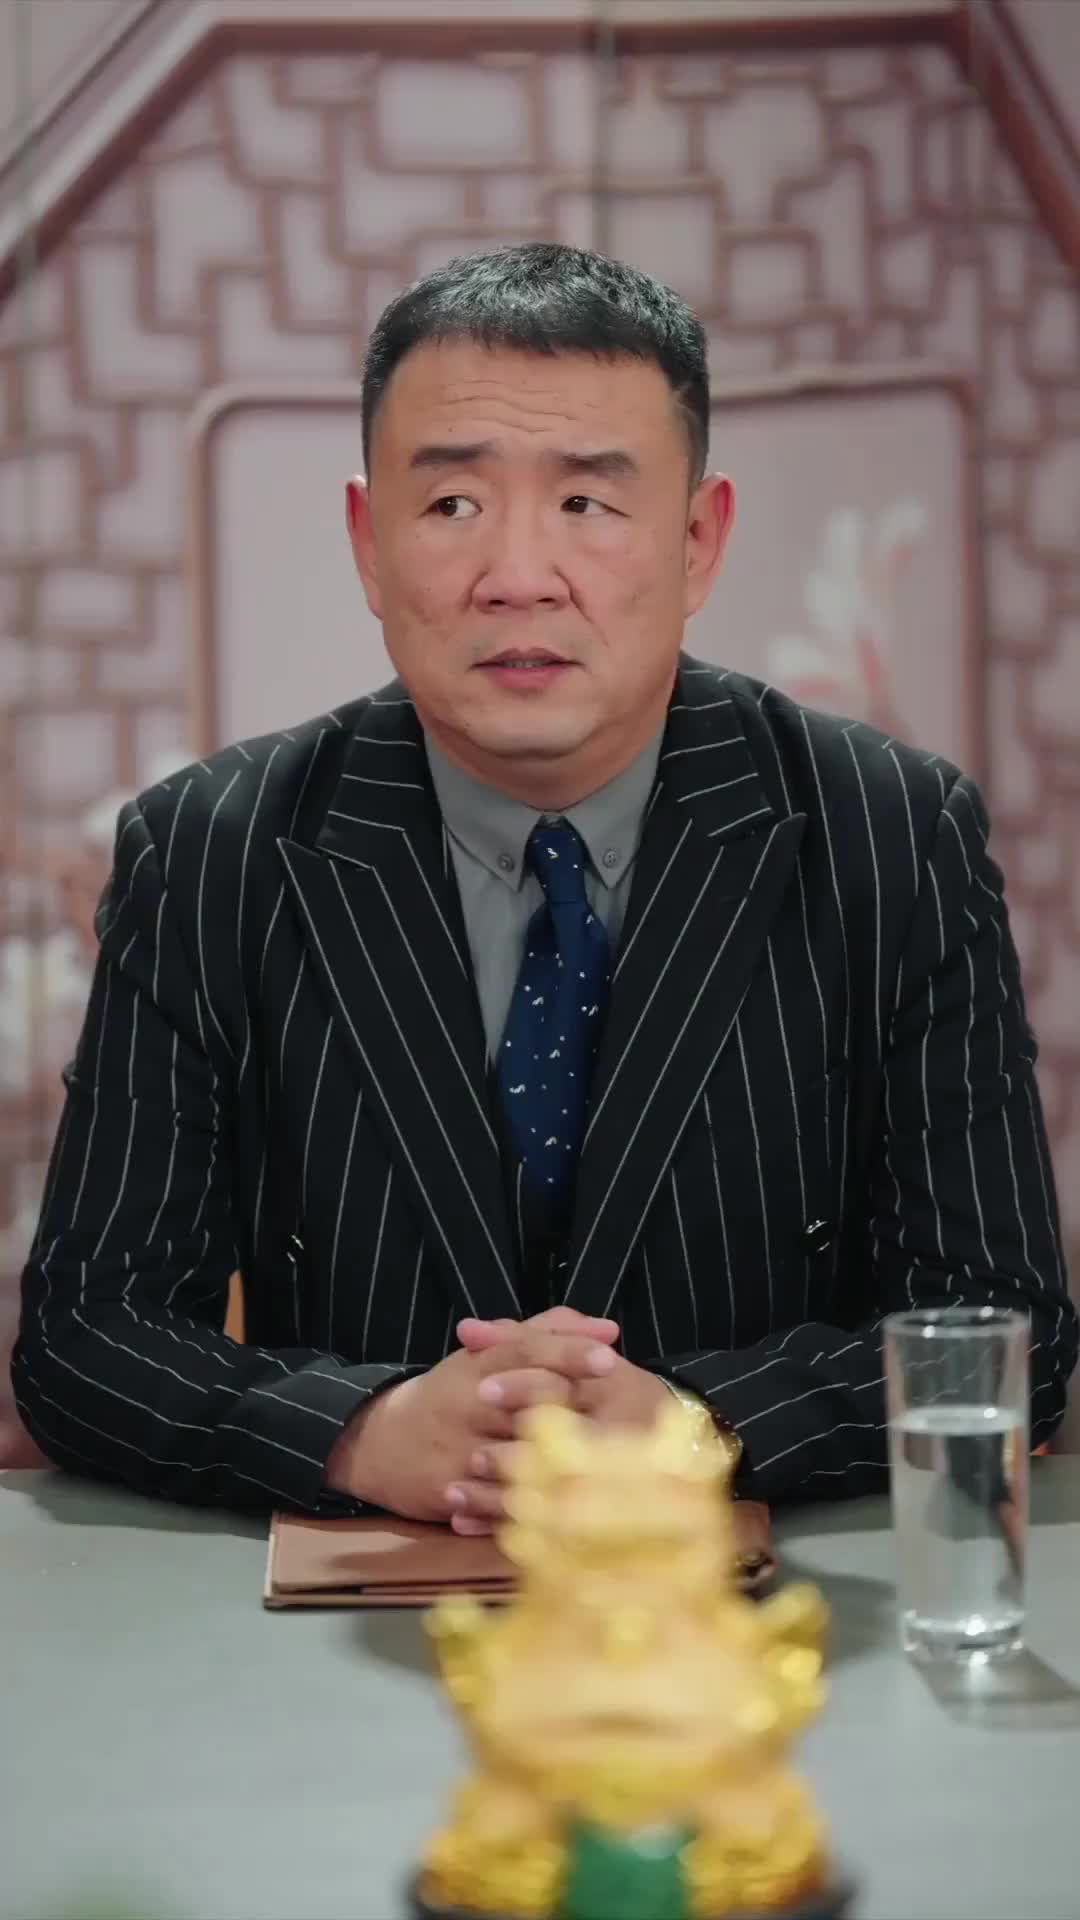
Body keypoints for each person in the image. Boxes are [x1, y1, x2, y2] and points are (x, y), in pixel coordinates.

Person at [13, 242, 1076, 1530]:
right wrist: (359, 1430)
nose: (518, 573)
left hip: (765, 1604)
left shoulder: (890, 834)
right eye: (453, 503)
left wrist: (705, 1424)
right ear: (367, 542)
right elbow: (86, 1335)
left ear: (698, 540)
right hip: (344, 1608)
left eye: (586, 502)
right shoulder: (211, 852)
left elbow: (1006, 1327)